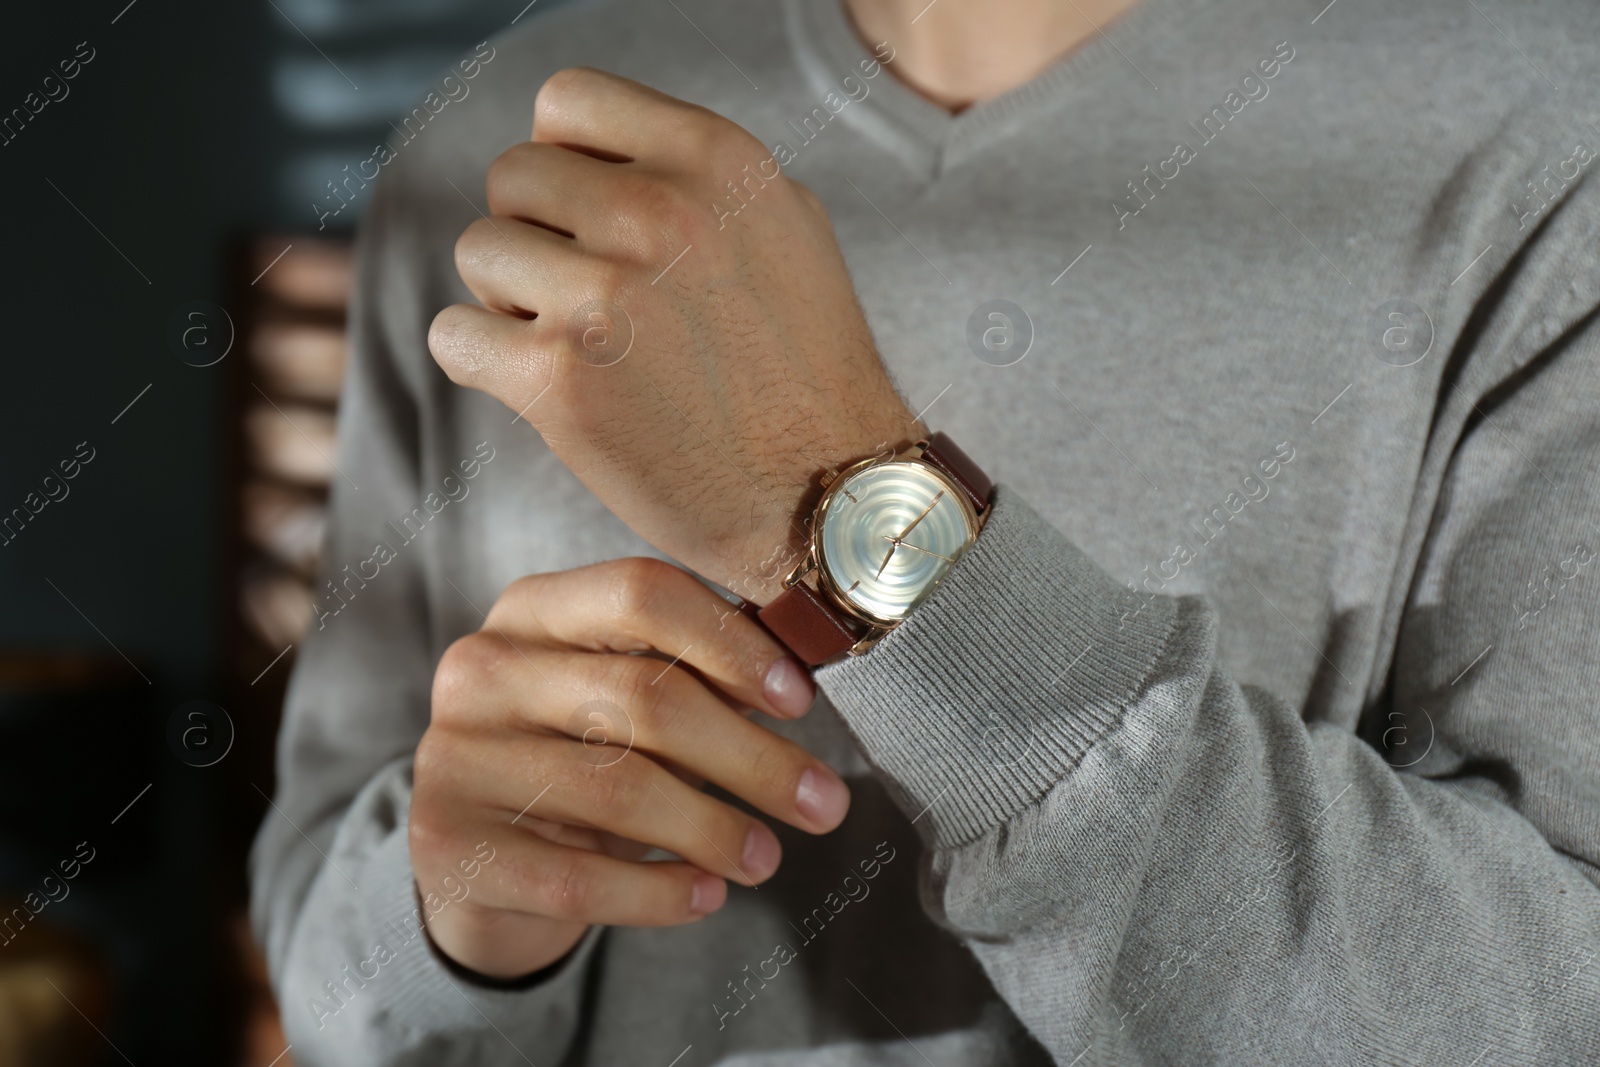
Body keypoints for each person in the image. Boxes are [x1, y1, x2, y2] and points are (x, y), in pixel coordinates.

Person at [250, 0, 1600, 1062]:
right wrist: (459, 928)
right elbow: (331, 968)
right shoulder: (500, 144)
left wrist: (842, 496)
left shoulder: (1551, 144)